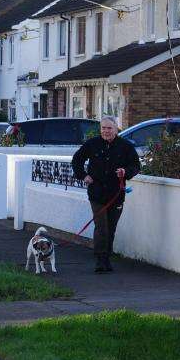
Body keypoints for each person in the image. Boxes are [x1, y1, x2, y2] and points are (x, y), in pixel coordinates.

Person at [71, 116, 140, 273]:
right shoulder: (92, 144)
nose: (106, 131)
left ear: (116, 129)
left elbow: (136, 166)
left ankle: (107, 257)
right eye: (103, 128)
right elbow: (77, 160)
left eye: (109, 128)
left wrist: (125, 172)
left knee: (111, 228)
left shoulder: (126, 146)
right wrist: (83, 175)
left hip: (116, 194)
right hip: (97, 193)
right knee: (101, 227)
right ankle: (100, 260)